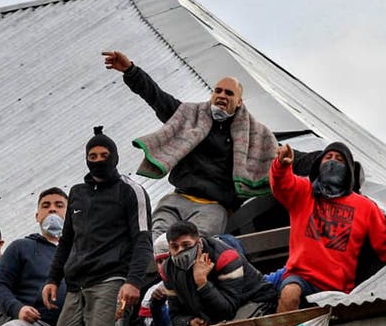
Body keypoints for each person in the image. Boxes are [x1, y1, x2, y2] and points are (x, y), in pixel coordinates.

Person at [102, 50, 277, 238]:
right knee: (154, 240)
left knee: (194, 243)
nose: (221, 96)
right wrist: (130, 71)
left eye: (229, 93)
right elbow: (157, 98)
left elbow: (278, 156)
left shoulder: (253, 136)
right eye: (217, 91)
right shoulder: (190, 117)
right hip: (177, 198)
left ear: (239, 101)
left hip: (213, 206)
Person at [42, 127, 153, 326]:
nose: (98, 161)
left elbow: (143, 239)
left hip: (111, 279)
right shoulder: (77, 193)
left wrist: (133, 281)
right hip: (76, 285)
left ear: (115, 157)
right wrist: (52, 279)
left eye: (104, 156)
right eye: (93, 157)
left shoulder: (131, 191)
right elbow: (67, 241)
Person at [270, 141, 386, 312]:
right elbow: (282, 185)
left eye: (339, 159)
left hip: (338, 289)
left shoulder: (365, 207)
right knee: (289, 294)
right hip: (301, 277)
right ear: (318, 165)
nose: (332, 162)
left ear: (348, 170)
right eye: (328, 157)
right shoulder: (305, 192)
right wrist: (281, 165)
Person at [0, 188, 69, 326]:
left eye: (59, 205)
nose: (52, 210)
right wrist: (18, 309)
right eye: (46, 206)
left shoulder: (84, 249)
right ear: (37, 215)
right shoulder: (22, 247)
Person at [153, 220, 277, 326]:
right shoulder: (168, 270)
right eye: (175, 247)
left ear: (199, 243)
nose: (181, 251)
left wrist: (202, 283)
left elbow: (227, 310)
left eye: (186, 245)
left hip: (255, 302)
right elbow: (175, 315)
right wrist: (189, 321)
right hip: (212, 318)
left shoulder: (225, 257)